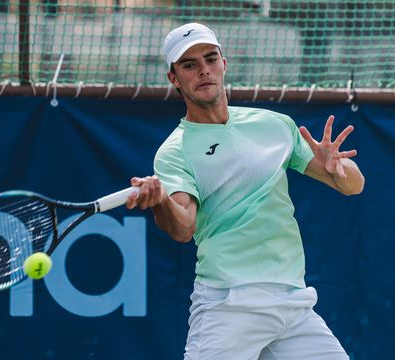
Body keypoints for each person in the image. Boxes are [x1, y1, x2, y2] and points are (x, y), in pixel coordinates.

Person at [126, 22, 365, 360]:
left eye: (210, 59)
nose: (204, 71)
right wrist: (161, 200)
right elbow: (182, 227)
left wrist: (337, 169)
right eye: (190, 65)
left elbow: (355, 186)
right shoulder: (175, 151)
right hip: (229, 303)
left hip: (294, 304)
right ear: (174, 78)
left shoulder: (275, 126)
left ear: (224, 63)